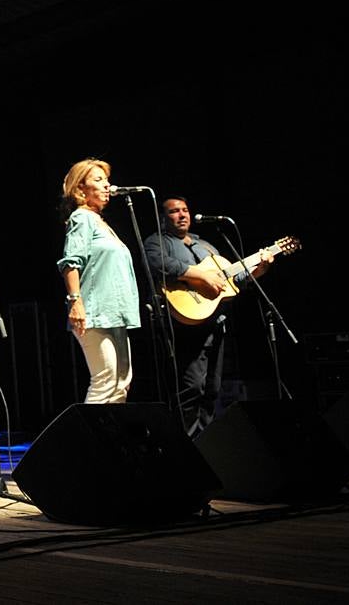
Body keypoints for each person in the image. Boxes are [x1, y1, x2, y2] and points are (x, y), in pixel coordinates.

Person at [145, 196, 271, 436]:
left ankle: (207, 444)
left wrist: (258, 269)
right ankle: (188, 445)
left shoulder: (206, 247)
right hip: (185, 327)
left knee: (213, 389)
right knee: (192, 388)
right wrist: (200, 276)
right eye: (174, 211)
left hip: (215, 324)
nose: (182, 215)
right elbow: (157, 264)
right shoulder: (157, 242)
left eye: (185, 210)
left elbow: (233, 281)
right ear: (163, 219)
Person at [57, 159, 140, 404]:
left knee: (121, 384)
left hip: (116, 312)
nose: (107, 186)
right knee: (105, 379)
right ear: (80, 189)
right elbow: (71, 262)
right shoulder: (81, 218)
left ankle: (111, 440)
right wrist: (75, 302)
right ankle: (86, 441)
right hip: (94, 311)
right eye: (98, 180)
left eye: (106, 180)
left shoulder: (101, 223)